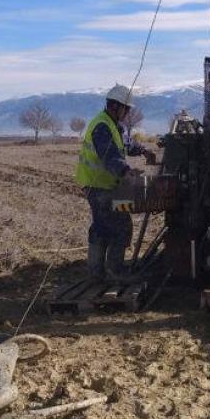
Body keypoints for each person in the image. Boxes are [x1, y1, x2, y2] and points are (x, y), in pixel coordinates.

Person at [75, 84, 150, 280]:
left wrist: (143, 150)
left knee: (102, 226)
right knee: (118, 226)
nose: (128, 113)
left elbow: (126, 144)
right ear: (116, 107)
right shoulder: (102, 126)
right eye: (127, 109)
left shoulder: (114, 125)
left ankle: (97, 272)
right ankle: (113, 271)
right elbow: (110, 156)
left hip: (105, 185)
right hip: (98, 186)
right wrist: (126, 172)